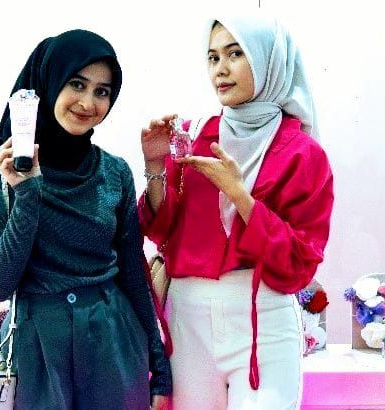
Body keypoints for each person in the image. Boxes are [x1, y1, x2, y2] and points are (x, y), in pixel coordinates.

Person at [0, 29, 171, 409]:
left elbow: (132, 272)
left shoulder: (114, 172)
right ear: (49, 82)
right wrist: (27, 191)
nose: (88, 103)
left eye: (102, 91)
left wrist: (159, 368)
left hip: (114, 346)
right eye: (77, 84)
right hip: (36, 351)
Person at [139, 16, 334, 409]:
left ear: (268, 61)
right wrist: (155, 166)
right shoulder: (194, 136)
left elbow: (300, 262)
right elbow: (161, 229)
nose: (220, 69)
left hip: (263, 318)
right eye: (213, 57)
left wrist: (239, 196)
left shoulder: (302, 153)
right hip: (188, 317)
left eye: (235, 54)